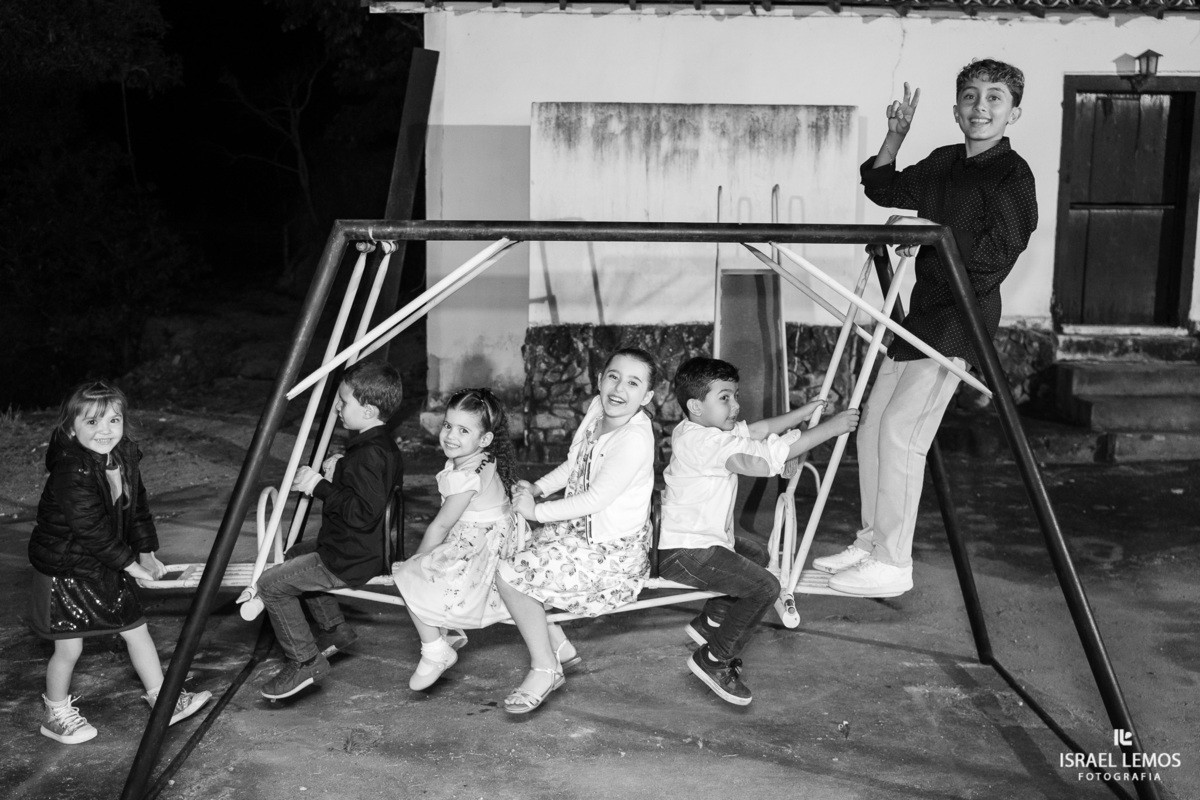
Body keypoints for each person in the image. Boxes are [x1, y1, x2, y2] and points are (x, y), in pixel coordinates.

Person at [814, 58, 1038, 596]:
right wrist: (894, 137)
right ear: (956, 107)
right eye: (970, 96)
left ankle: (893, 564)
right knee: (869, 425)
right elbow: (882, 187)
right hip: (920, 313)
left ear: (1014, 113)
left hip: (961, 317)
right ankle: (870, 542)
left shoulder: (1013, 173)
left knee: (901, 432)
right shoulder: (943, 163)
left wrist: (930, 233)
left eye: (994, 98)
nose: (980, 107)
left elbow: (1000, 251)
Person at [658, 357, 859, 705]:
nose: (736, 405)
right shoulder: (706, 444)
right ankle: (715, 658)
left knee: (756, 555)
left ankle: (711, 621)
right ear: (695, 405)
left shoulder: (696, 430)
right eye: (725, 398)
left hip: (696, 542)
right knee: (765, 587)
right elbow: (761, 460)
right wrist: (832, 428)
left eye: (735, 396)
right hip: (686, 551)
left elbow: (759, 430)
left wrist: (803, 412)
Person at [28, 381, 211, 744]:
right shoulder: (71, 470)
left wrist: (146, 551)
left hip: (105, 562)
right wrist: (130, 565)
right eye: (92, 423)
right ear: (70, 427)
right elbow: (90, 529)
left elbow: (137, 508)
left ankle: (164, 699)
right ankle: (56, 713)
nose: (105, 431)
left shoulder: (123, 456)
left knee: (135, 629)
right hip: (66, 568)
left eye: (114, 420)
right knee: (69, 647)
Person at [495, 347, 659, 714]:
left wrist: (537, 511)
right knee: (504, 549)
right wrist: (536, 488)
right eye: (613, 376)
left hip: (611, 550)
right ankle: (558, 645)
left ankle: (545, 668)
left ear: (646, 397)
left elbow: (596, 499)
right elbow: (574, 465)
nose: (619, 388)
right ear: (600, 379)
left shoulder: (633, 439)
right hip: (578, 531)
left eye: (633, 383)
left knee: (509, 576)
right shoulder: (597, 410)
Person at [258, 361, 404, 700]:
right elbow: (369, 490)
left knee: (272, 585)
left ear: (367, 410)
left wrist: (320, 486)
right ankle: (337, 630)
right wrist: (341, 469)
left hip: (351, 556)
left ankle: (305, 661)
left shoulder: (369, 455)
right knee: (295, 553)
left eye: (344, 401)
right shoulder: (378, 445)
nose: (338, 407)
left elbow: (363, 512)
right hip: (367, 547)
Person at [393, 388, 522, 690]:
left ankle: (435, 650)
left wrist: (418, 560)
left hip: (480, 549)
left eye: (463, 430)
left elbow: (440, 527)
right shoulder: (485, 457)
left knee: (408, 577)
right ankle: (558, 646)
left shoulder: (464, 478)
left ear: (484, 439)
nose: (450, 435)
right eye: (448, 425)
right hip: (498, 538)